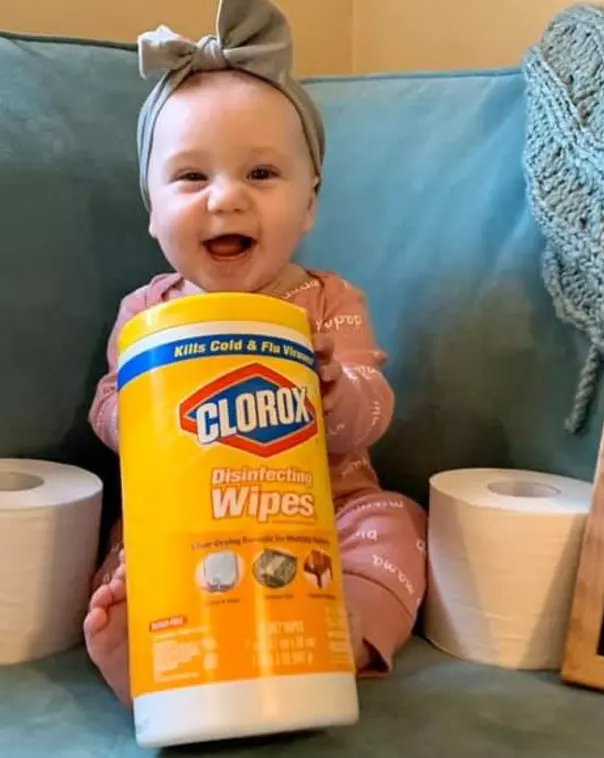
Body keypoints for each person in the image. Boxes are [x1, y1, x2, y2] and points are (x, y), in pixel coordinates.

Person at [82, 0, 427, 708]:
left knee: (395, 522)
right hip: (189, 525)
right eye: (190, 177)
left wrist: (336, 387)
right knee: (129, 557)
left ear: (310, 204)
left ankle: (348, 628)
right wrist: (139, 413)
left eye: (262, 175)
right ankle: (141, 657)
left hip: (321, 518)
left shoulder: (329, 302)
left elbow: (372, 407)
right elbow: (107, 408)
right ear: (150, 209)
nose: (227, 199)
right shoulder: (147, 315)